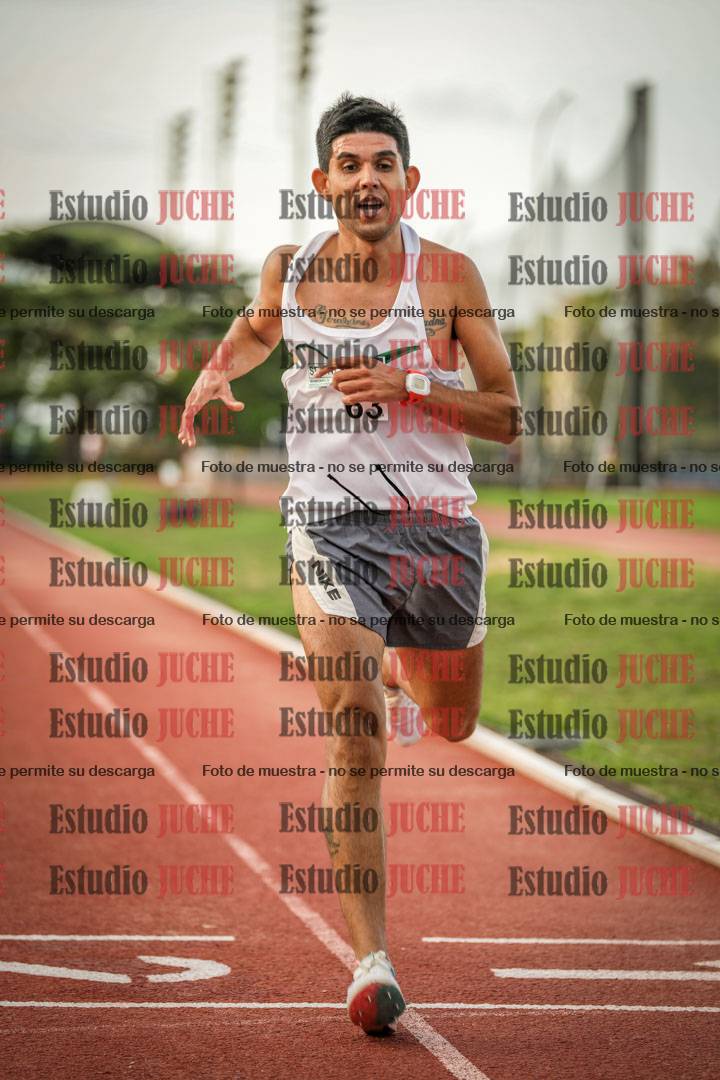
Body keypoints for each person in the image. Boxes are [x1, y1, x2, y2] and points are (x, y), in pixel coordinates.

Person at [178, 93, 520, 1035]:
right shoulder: (288, 270)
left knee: (452, 725)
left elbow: (508, 415)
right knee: (356, 731)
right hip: (329, 526)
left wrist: (413, 385)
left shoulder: (448, 277)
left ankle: (409, 678)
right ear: (322, 181)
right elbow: (260, 327)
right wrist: (217, 368)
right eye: (350, 164)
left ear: (410, 182)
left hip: (438, 532)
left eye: (384, 164)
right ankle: (372, 961)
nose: (367, 179)